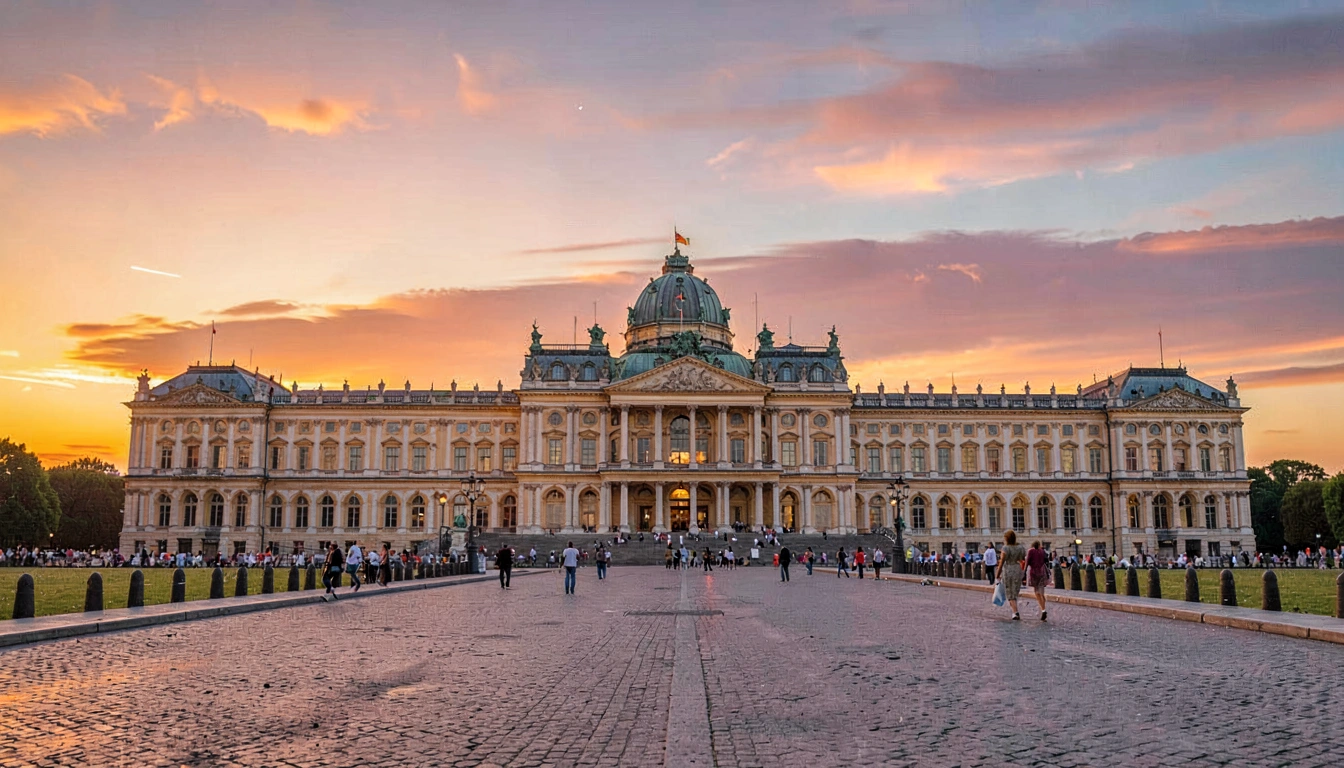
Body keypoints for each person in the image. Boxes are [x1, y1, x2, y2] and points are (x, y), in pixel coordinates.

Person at [998, 530, 1027, 620]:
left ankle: (1015, 612)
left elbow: (1002, 562)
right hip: (1017, 568)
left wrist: (997, 574)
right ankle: (1014, 610)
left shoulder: (1005, 548)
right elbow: (1022, 558)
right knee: (1015, 591)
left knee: (1009, 592)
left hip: (1008, 569)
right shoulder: (1020, 547)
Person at [1026, 541, 1049, 620]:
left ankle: (1043, 609)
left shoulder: (1030, 551)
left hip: (1034, 572)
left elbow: (1027, 562)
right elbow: (1046, 560)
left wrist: (1024, 572)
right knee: (1041, 591)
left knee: (1036, 592)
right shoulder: (1042, 551)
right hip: (1042, 572)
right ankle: (1043, 609)